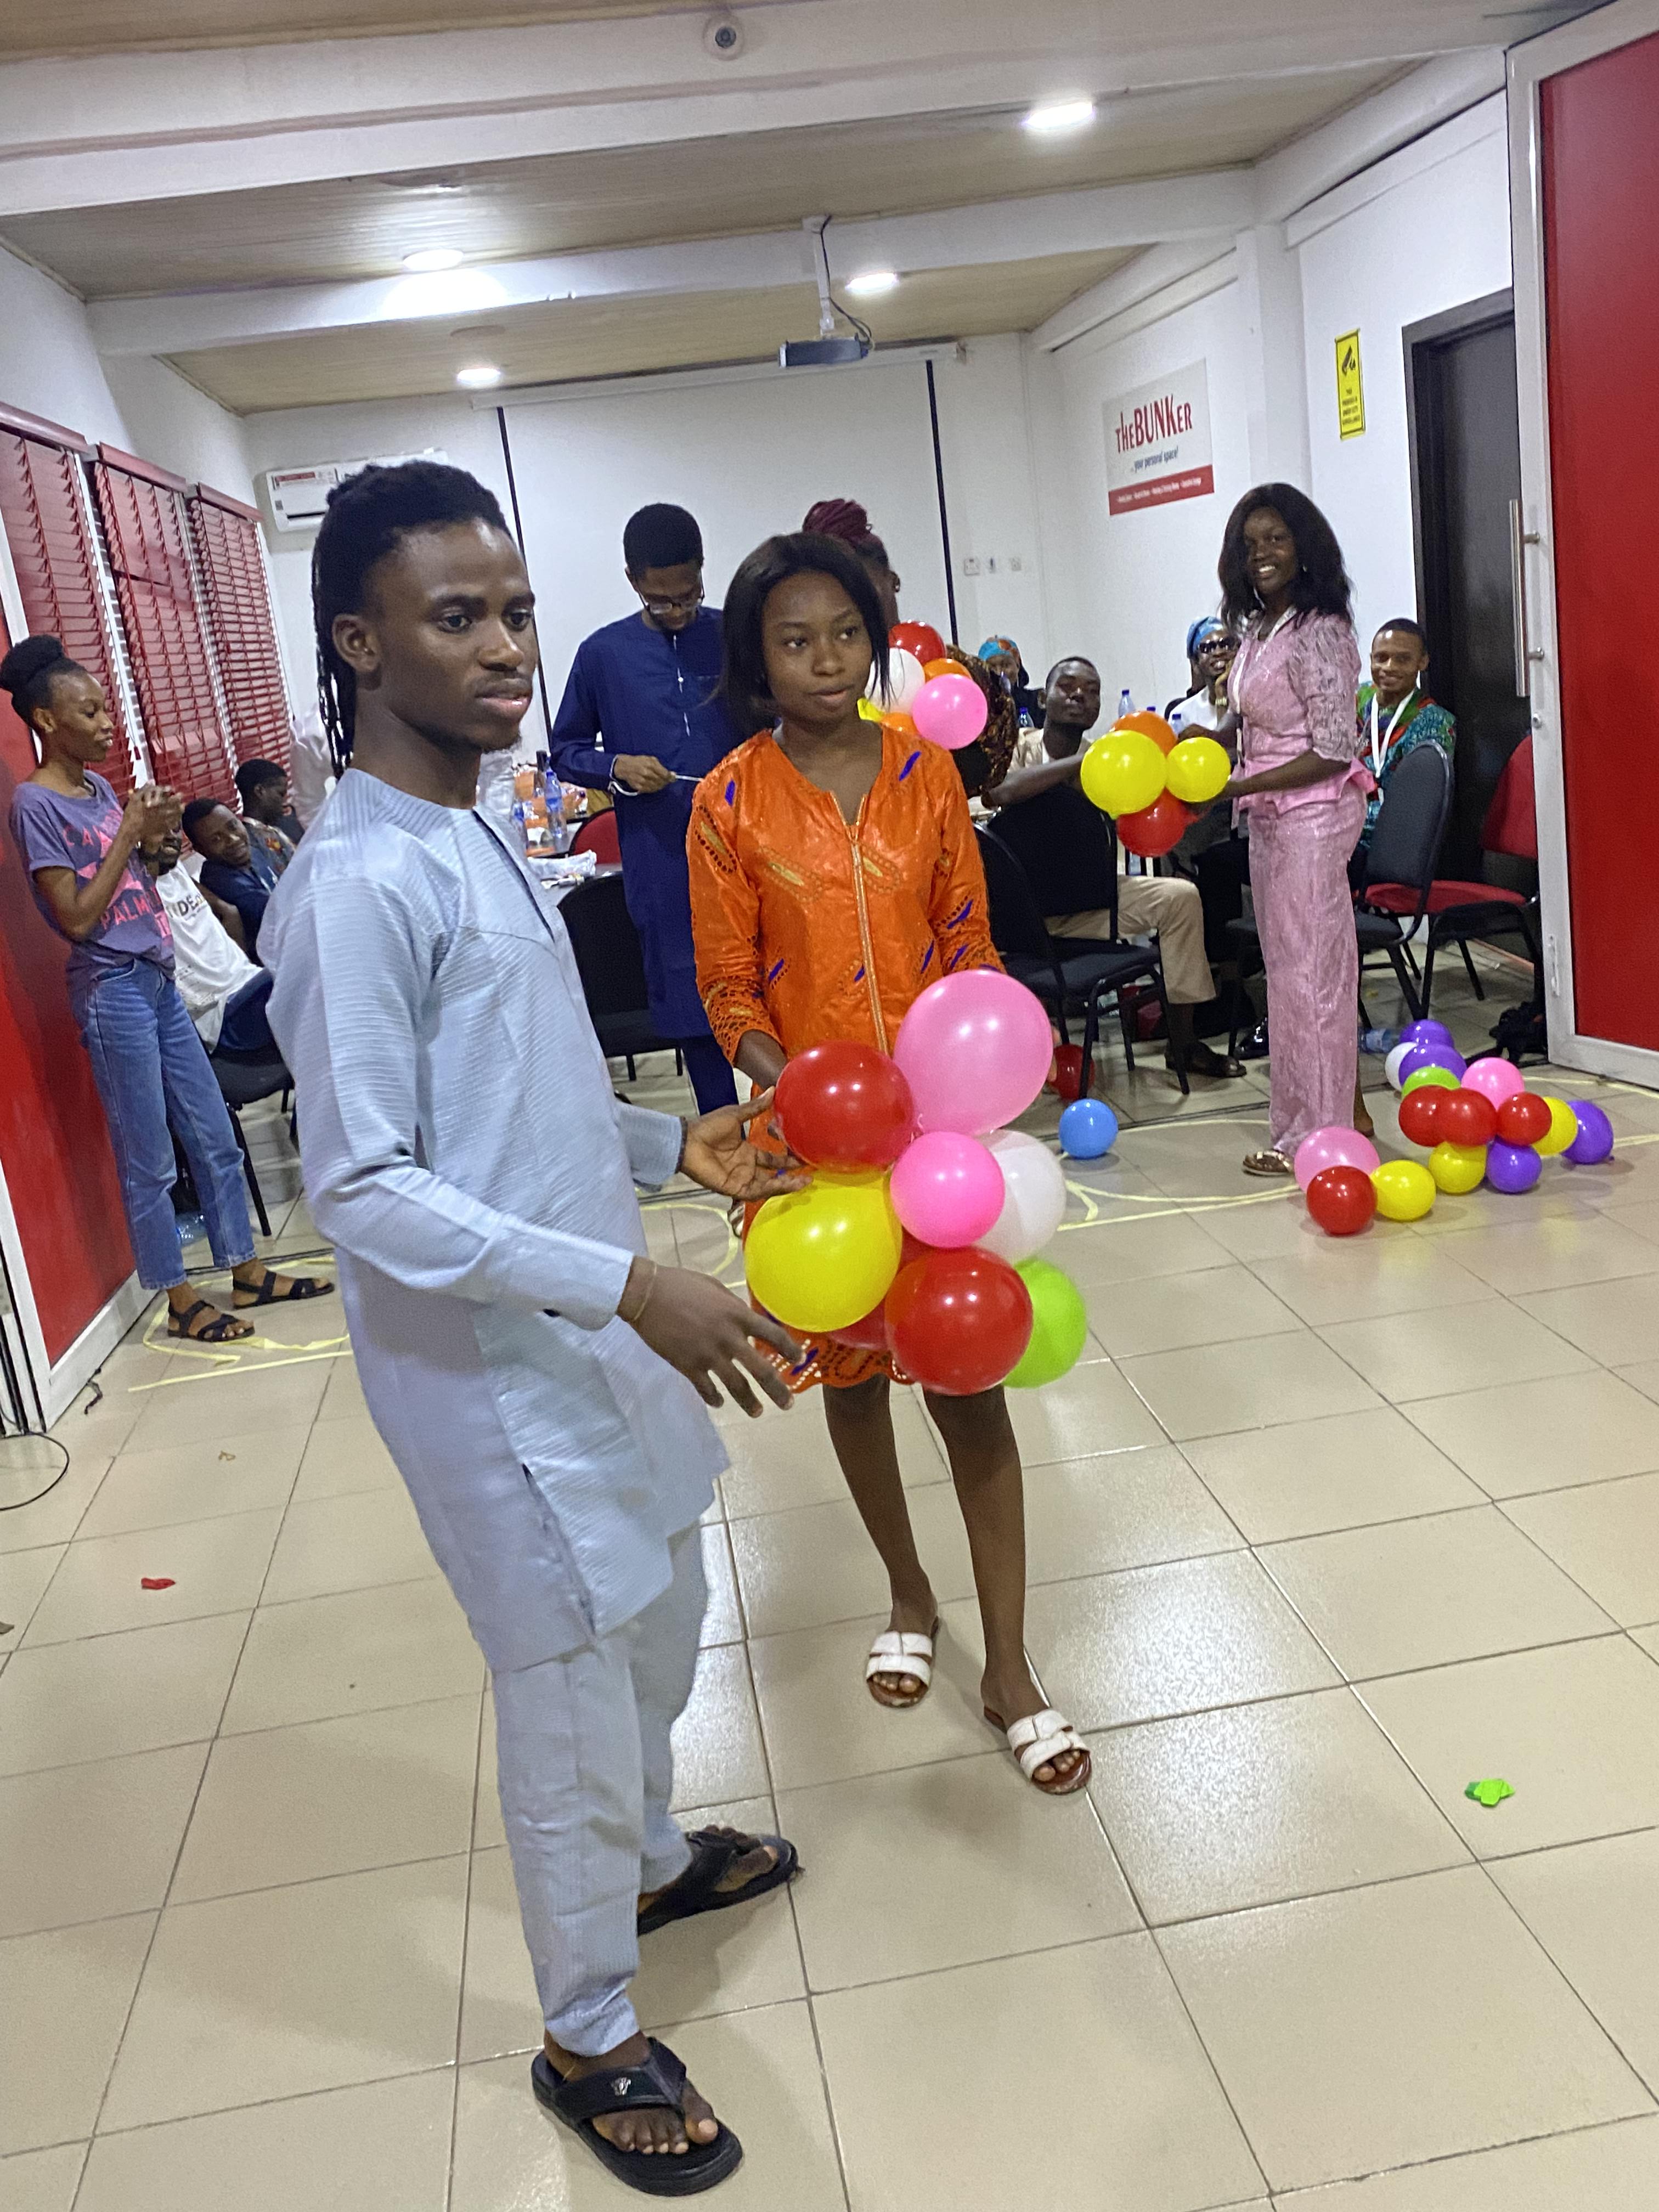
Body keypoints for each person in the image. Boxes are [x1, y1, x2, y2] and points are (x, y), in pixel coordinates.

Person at [263, 460, 804, 2193]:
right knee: (567, 1681)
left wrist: (667, 1145)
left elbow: (516, 1095)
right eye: (456, 618)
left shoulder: (480, 824)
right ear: (359, 644)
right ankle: (589, 2031)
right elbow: (362, 1185)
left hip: (585, 1315)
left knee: (668, 1600)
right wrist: (642, 1285)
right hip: (494, 1369)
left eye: (513, 612)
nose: (505, 647)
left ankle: (647, 1859)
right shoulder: (354, 885)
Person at [688, 531, 1092, 1800]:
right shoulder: (729, 799)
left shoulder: (927, 775)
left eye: (846, 635)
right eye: (794, 640)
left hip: (939, 1145)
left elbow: (969, 941)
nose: (825, 661)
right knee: (854, 1385)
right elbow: (726, 983)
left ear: (879, 639)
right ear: (757, 657)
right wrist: (795, 1083)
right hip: (812, 1148)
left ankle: (1012, 1666)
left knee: (970, 1381)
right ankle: (909, 1594)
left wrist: (971, 1068)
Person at [2, 634, 331, 1343]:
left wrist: (153, 847)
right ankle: (179, 1299)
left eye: (104, 709)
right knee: (149, 1155)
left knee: (216, 1136)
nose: (104, 723)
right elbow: (77, 918)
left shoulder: (95, 789)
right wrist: (128, 832)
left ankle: (244, 1268)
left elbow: (126, 883)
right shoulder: (36, 807)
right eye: (86, 713)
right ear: (46, 721)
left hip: (156, 979)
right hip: (110, 990)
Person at [548, 503, 740, 1115]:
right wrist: (617, 767)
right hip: (665, 864)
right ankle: (725, 1138)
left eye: (689, 595)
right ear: (632, 580)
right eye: (663, 601)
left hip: (754, 850)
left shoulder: (736, 636)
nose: (679, 611)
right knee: (694, 1007)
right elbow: (566, 750)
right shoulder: (603, 655)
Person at [1204, 484, 1368, 1175]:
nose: (1262, 555)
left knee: (1315, 979)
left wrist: (1240, 783)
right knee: (1290, 977)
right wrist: (1207, 745)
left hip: (1314, 812)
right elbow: (1250, 718)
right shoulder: (1262, 629)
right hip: (1271, 817)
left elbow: (1333, 747)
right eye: (1249, 544)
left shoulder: (1322, 630)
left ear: (1305, 546)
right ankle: (1304, 1128)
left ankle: (1326, 1142)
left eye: (1275, 539)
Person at [982, 656, 1244, 1080]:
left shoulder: (1116, 761)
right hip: (1020, 915)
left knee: (1181, 897)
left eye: (1091, 690)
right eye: (1067, 686)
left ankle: (1183, 1043)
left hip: (1090, 907)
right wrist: (1081, 768)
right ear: (1043, 698)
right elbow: (1000, 793)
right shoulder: (1016, 748)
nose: (1079, 695)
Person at [148, 824, 278, 1057]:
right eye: (158, 828)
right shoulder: (136, 890)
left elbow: (228, 911)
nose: (171, 836)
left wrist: (239, 966)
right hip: (222, 1013)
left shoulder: (175, 869)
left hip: (251, 983)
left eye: (176, 828)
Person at [1355, 617, 1456, 859]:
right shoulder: (1355, 701)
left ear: (1422, 662)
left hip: (1391, 844)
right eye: (1381, 658)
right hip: (1344, 829)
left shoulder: (1435, 722)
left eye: (1402, 659)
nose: (1389, 667)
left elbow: (1418, 807)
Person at [182, 797, 280, 956]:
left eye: (233, 826)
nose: (233, 839)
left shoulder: (255, 852)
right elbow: (278, 913)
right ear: (201, 850)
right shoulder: (218, 879)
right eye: (216, 839)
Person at [1165, 617, 1237, 731]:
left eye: (1226, 644)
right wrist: (1221, 695)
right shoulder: (1182, 716)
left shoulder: (1250, 703)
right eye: (1207, 648)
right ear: (1195, 664)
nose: (1218, 652)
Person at [235, 756, 304, 853]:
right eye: (281, 794)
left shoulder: (276, 829)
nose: (285, 802)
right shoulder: (252, 844)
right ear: (260, 791)